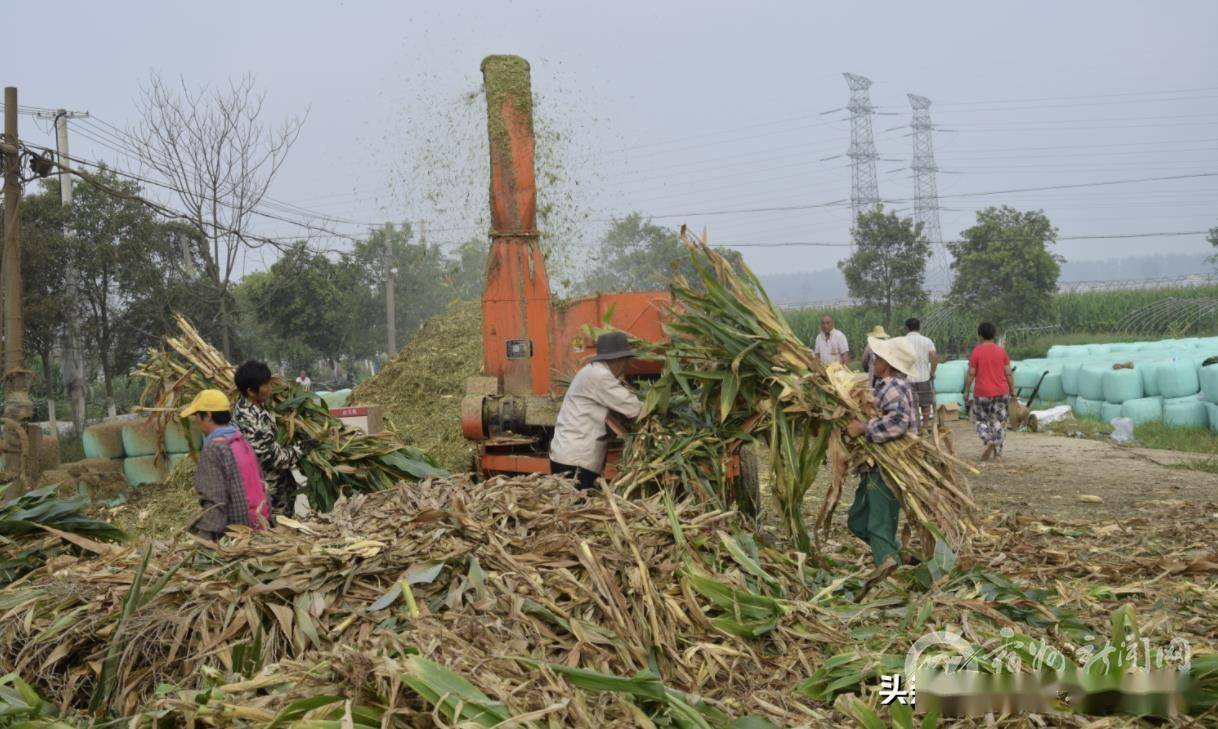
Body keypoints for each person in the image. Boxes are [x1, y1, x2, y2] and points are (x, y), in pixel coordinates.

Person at [844, 336, 918, 568]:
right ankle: (899, 554)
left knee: (878, 523)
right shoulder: (884, 386)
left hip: (887, 468)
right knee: (857, 521)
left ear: (889, 364)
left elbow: (899, 421)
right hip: (874, 466)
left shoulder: (894, 386)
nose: (875, 361)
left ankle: (890, 570)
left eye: (879, 358)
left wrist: (864, 428)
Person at [549, 331, 644, 490]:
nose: (625, 366)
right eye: (625, 361)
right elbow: (635, 409)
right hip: (576, 461)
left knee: (572, 509)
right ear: (618, 360)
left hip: (570, 456)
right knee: (577, 509)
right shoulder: (600, 376)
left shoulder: (591, 371)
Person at [180, 389, 271, 542]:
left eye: (197, 415)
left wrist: (205, 539)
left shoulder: (214, 449)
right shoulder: (240, 439)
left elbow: (214, 501)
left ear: (208, 415)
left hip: (237, 534)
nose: (196, 421)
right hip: (260, 524)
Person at [234, 360, 317, 514]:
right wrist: (303, 447)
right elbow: (276, 459)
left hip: (282, 488)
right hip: (270, 496)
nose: (270, 389)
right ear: (251, 391)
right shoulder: (251, 421)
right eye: (266, 385)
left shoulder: (258, 404)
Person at [963, 322, 1016, 462]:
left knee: (981, 420)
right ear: (994, 335)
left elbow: (971, 374)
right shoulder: (1001, 351)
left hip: (982, 393)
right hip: (1001, 392)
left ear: (980, 335)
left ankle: (988, 440)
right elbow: (1008, 373)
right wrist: (1013, 391)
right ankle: (998, 454)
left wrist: (966, 391)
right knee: (1000, 422)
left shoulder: (976, 351)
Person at [903, 318, 938, 432]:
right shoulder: (927, 341)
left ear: (907, 328)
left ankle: (914, 426)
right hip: (924, 377)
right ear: (919, 327)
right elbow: (933, 357)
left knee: (910, 404)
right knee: (926, 402)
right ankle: (926, 425)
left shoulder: (902, 341)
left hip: (907, 377)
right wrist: (932, 372)